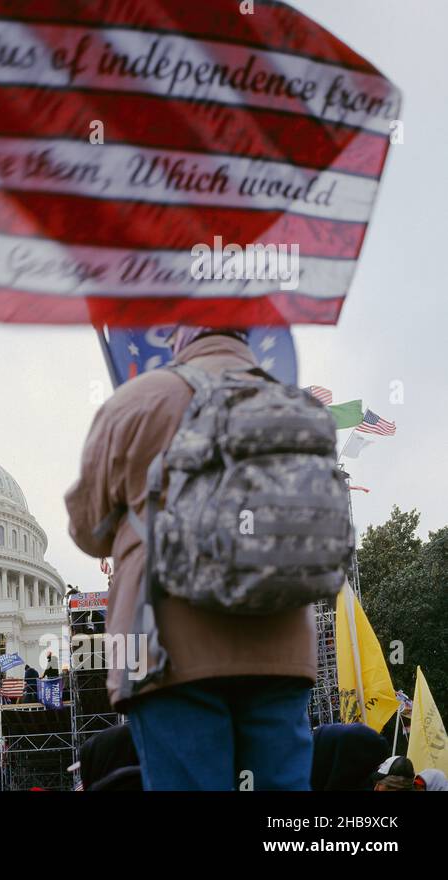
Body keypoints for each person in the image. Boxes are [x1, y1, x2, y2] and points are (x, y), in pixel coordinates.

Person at [66, 326, 317, 791]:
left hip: (167, 644)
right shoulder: (293, 404)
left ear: (179, 335)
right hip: (280, 638)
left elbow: (87, 528)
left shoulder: (138, 399)